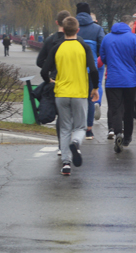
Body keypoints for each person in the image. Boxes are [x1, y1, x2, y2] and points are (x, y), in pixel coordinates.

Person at [40, 16, 99, 176]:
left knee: (65, 128)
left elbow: (44, 70)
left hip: (61, 93)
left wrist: (50, 81)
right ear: (77, 30)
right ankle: (76, 143)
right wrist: (95, 88)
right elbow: (93, 70)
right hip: (79, 93)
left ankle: (66, 164)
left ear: (63, 30)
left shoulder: (57, 48)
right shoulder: (83, 47)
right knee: (80, 126)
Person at [101, 15, 136, 152]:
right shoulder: (133, 38)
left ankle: (118, 132)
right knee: (129, 110)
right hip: (130, 80)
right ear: (129, 24)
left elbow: (104, 58)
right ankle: (127, 138)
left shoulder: (107, 38)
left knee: (116, 109)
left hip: (113, 79)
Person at [37, 10, 72, 152]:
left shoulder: (50, 40)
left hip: (55, 79)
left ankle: (61, 146)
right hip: (71, 79)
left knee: (60, 114)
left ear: (57, 23)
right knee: (70, 114)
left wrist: (50, 71)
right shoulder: (74, 40)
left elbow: (39, 61)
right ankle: (71, 142)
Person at [76, 3, 105, 140]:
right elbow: (102, 48)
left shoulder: (72, 28)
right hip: (90, 68)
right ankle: (89, 130)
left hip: (74, 69)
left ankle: (75, 126)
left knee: (74, 97)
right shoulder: (97, 29)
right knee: (90, 98)